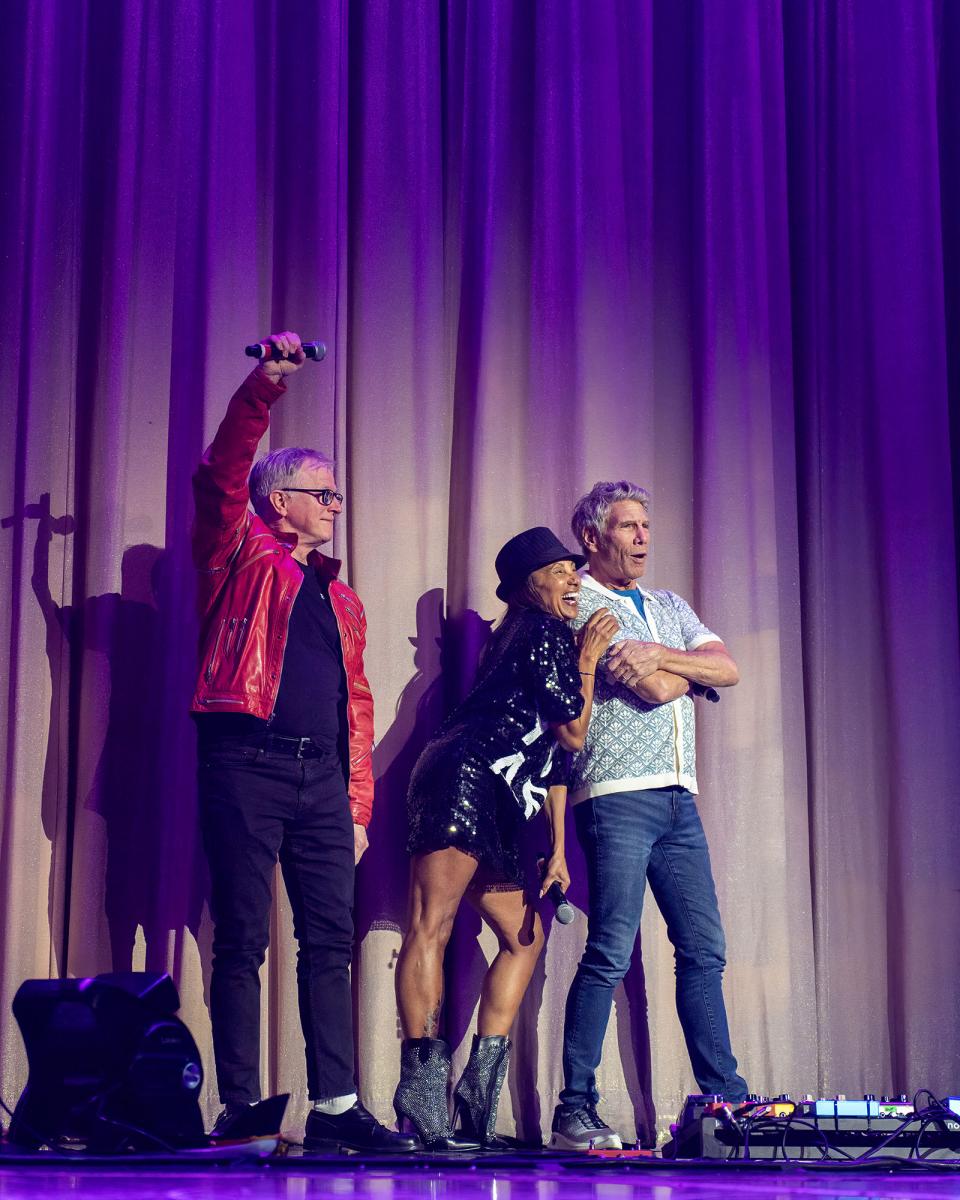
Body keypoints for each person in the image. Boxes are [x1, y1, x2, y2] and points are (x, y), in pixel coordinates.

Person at [191, 331, 415, 1153]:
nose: (335, 505)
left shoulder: (341, 598)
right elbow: (221, 473)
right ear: (277, 501)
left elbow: (357, 704)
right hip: (244, 763)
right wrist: (266, 385)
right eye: (322, 493)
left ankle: (336, 1108)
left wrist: (356, 805)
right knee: (242, 938)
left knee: (329, 943)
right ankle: (239, 1108)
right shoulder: (239, 552)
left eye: (336, 494)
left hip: (322, 781)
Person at [393, 527, 618, 1150]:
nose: (574, 580)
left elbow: (552, 759)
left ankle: (477, 1093)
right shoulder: (543, 631)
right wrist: (589, 655)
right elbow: (573, 732)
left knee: (525, 937)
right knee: (431, 925)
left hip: (496, 796)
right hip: (461, 780)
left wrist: (558, 849)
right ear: (529, 585)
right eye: (560, 571)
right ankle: (421, 1093)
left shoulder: (534, 634)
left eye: (574, 570)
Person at [550, 481, 747, 1151]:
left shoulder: (667, 605)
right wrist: (689, 674)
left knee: (704, 949)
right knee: (610, 951)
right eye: (627, 526)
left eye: (645, 525)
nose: (642, 537)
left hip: (678, 797)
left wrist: (664, 654)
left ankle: (726, 1099)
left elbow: (728, 668)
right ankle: (575, 1107)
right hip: (617, 795)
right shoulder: (583, 604)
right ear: (592, 537)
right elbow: (662, 689)